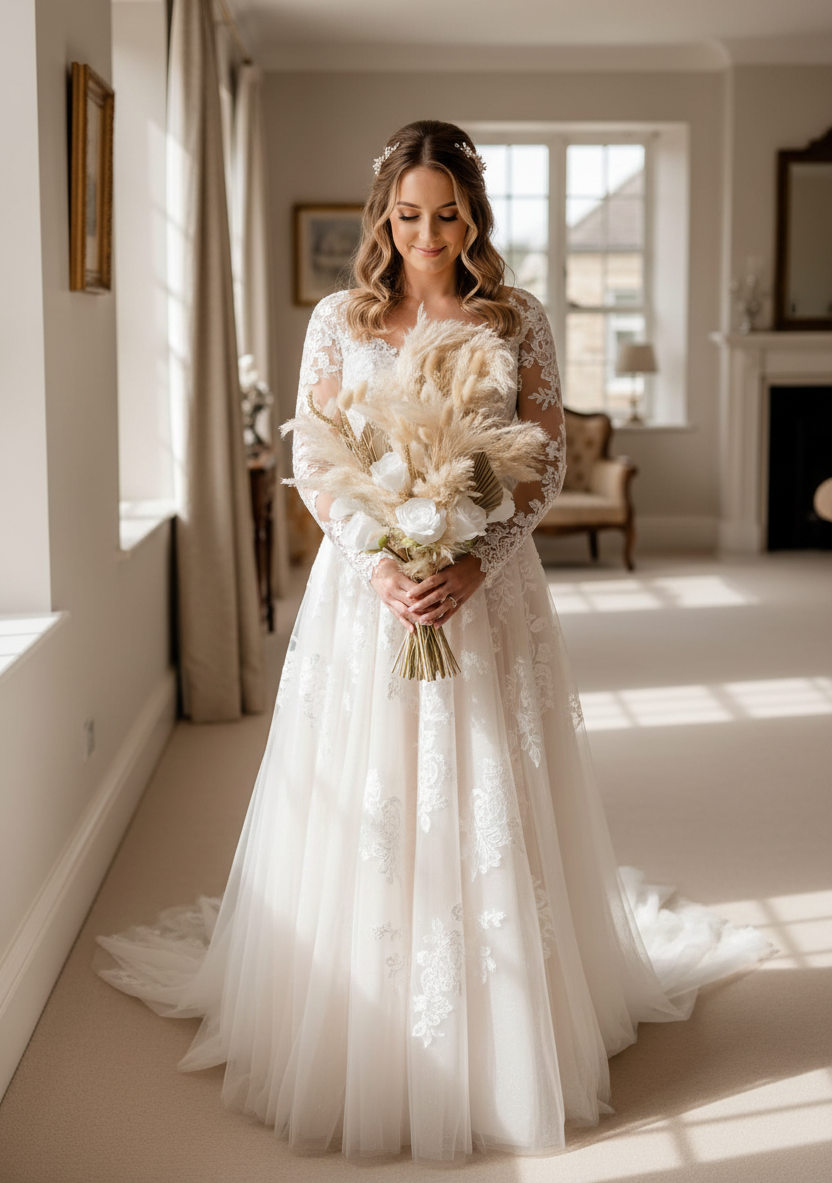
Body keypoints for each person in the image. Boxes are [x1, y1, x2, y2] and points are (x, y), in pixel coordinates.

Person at [97, 119, 771, 1163]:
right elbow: (318, 460)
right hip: (365, 592)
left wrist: (470, 559)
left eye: (445, 214)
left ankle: (506, 1018)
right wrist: (376, 556)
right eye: (407, 214)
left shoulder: (516, 316)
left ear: (473, 214)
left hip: (485, 586)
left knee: (488, 779)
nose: (425, 233)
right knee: (368, 785)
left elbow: (542, 459)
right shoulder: (340, 318)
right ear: (384, 214)